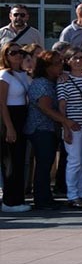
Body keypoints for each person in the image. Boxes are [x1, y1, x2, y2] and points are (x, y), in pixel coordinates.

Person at [24, 52, 73, 210]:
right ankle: (41, 200)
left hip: (49, 129)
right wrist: (65, 121)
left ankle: (46, 197)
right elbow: (45, 108)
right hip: (40, 128)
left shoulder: (53, 81)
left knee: (47, 163)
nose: (61, 66)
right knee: (44, 165)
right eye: (57, 63)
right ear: (46, 67)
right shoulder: (41, 84)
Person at [57, 48, 82, 208]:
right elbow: (61, 105)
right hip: (73, 125)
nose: (78, 61)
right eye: (74, 58)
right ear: (68, 61)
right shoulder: (64, 80)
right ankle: (72, 195)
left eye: (81, 58)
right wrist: (65, 127)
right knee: (74, 161)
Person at [1, 43, 34, 212]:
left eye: (20, 52)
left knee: (20, 159)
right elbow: (2, 104)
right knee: (11, 161)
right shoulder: (4, 75)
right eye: (12, 52)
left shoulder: (23, 74)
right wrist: (9, 127)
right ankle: (9, 201)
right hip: (9, 117)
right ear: (5, 55)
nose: (17, 55)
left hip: (22, 116)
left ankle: (18, 198)